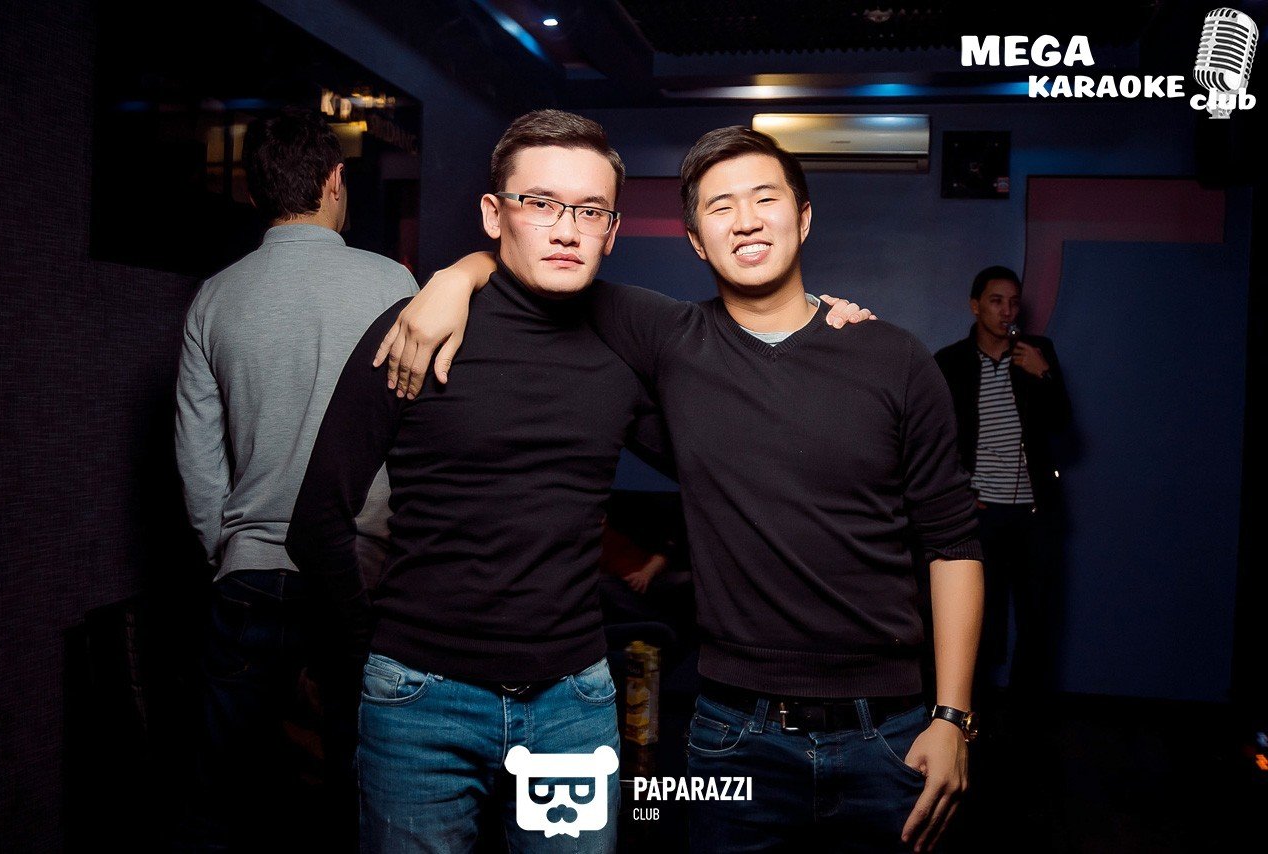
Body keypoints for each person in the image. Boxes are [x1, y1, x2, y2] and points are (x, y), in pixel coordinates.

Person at [377, 125, 985, 853]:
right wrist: (457, 275)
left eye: (765, 199)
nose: (746, 220)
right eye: (720, 207)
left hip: (890, 730)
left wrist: (953, 718)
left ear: (804, 218)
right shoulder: (667, 338)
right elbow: (540, 260)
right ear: (696, 240)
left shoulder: (895, 358)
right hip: (733, 732)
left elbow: (953, 542)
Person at [285, 111, 866, 853]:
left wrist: (829, 328)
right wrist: (373, 660)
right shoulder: (417, 330)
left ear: (612, 230)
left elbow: (733, 443)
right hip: (419, 702)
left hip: (573, 706)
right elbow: (316, 521)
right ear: (494, 214)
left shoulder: (627, 334)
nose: (566, 230)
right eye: (540, 203)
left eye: (590, 211)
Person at [173, 107, 417, 850]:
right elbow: (415, 438)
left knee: (219, 799)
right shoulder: (391, 282)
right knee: (358, 792)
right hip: (358, 573)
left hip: (249, 573)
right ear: (336, 180)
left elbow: (198, 461)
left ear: (253, 193)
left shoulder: (215, 296)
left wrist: (230, 550)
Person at [933, 267, 1072, 721]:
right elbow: (934, 438)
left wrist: (1044, 375)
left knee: (1036, 618)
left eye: (1013, 302)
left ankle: (1026, 720)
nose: (1007, 311)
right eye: (996, 301)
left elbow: (1063, 425)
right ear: (975, 306)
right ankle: (973, 716)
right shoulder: (951, 362)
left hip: (1034, 513)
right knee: (980, 619)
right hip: (980, 515)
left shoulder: (1037, 353)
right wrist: (960, 493)